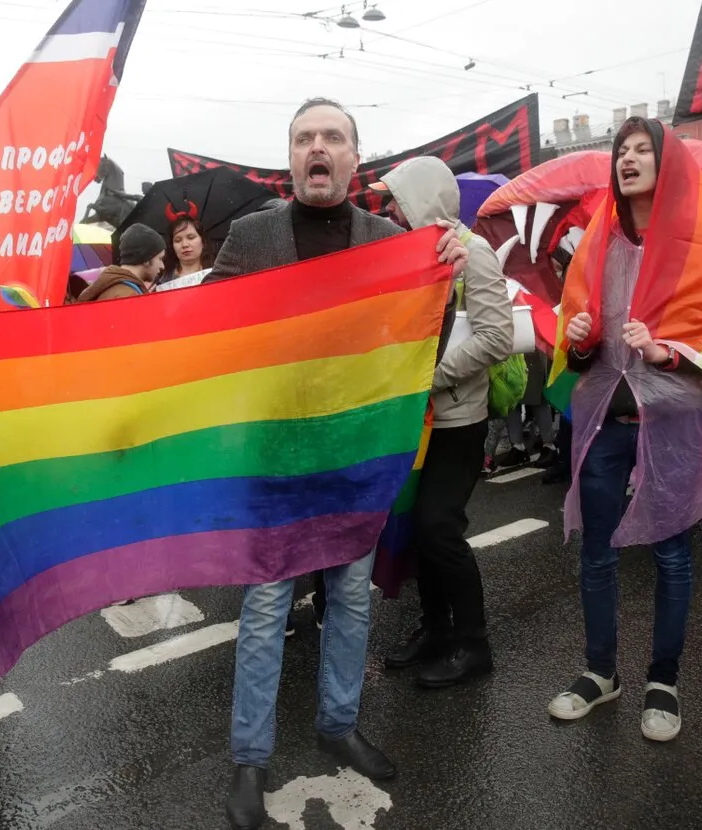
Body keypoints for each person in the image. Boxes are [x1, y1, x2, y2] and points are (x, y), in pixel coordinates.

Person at [206, 97, 469, 830]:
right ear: (290, 158)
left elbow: (421, 343)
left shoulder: (389, 239)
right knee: (264, 612)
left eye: (331, 137)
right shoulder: (253, 236)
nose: (316, 147)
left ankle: (338, 723)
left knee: (350, 604)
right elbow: (205, 334)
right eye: (303, 139)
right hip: (275, 462)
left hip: (353, 463)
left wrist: (442, 276)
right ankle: (249, 759)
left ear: (355, 159)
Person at [546, 117, 702, 743]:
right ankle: (600, 672)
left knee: (671, 553)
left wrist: (669, 353)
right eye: (621, 151)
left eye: (642, 150)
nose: (628, 159)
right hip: (607, 421)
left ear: (671, 164)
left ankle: (664, 681)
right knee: (597, 553)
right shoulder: (598, 242)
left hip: (673, 421)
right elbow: (576, 340)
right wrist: (579, 338)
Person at [372, 156, 515, 688]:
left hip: (458, 418)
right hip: (417, 420)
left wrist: (429, 377)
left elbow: (497, 338)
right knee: (417, 527)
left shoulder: (472, 254)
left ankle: (474, 644)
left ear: (424, 198)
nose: (390, 209)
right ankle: (434, 630)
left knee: (439, 525)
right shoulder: (412, 255)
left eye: (398, 198)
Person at [76, 223, 166, 302]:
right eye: (160, 259)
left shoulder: (119, 288)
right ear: (147, 259)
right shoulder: (128, 297)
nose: (162, 266)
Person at [157, 214, 212, 289]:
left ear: (203, 242)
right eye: (178, 240)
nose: (184, 244)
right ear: (172, 246)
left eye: (191, 237)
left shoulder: (216, 275)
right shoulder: (161, 280)